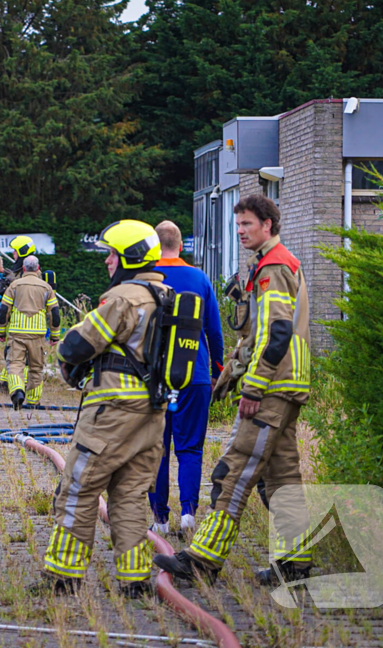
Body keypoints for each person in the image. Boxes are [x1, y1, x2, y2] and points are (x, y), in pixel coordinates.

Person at [155, 196, 313, 585]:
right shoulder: (273, 263)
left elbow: (277, 333)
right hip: (289, 385)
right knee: (282, 478)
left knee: (235, 470)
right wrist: (228, 377)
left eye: (247, 224)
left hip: (272, 388)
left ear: (269, 224)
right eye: (238, 224)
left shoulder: (272, 267)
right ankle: (295, 562)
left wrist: (254, 387)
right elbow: (258, 333)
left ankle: (202, 561)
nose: (241, 231)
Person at [33, 220, 169, 599]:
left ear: (130, 257)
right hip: (152, 414)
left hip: (111, 412)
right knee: (130, 495)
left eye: (112, 253)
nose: (108, 260)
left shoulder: (124, 297)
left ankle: (63, 576)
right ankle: (136, 579)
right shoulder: (166, 295)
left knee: (78, 486)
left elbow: (76, 345)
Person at [148, 221, 224, 535]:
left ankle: (160, 520)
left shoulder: (145, 279)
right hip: (195, 376)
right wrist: (218, 370)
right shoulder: (200, 278)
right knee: (191, 448)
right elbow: (215, 332)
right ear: (181, 246)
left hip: (154, 378)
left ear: (154, 246)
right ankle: (190, 515)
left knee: (157, 448)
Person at [0, 255, 60, 410]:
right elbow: (55, 314)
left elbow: (4, 310)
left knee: (15, 364)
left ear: (23, 268)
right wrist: (54, 335)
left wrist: (1, 332)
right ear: (38, 269)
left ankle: (17, 390)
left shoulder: (14, 286)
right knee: (36, 367)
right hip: (37, 334)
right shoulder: (46, 288)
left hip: (17, 332)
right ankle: (33, 400)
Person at [0, 235, 36, 393]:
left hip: (25, 321)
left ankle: (20, 386)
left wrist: (11, 283)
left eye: (15, 251)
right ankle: (5, 384)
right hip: (15, 319)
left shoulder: (32, 272)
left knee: (20, 357)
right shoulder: (18, 270)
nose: (13, 253)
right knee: (10, 353)